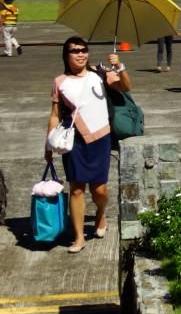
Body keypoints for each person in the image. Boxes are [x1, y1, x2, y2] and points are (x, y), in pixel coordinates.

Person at [46, 36, 131, 253]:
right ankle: (78, 238)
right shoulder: (59, 82)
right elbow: (55, 115)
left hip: (101, 138)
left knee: (99, 190)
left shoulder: (99, 73)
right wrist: (48, 145)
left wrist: (119, 67)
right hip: (75, 141)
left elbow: (125, 87)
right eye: (75, 51)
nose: (81, 54)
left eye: (84, 50)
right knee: (76, 189)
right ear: (66, 55)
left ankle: (100, 214)